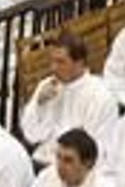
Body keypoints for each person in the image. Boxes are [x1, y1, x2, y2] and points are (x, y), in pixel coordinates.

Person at [20, 34, 117, 165]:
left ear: (79, 63)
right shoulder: (47, 85)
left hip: (75, 169)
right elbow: (30, 135)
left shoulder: (100, 95)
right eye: (52, 61)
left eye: (61, 62)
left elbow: (97, 150)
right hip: (41, 160)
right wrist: (39, 104)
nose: (53, 68)